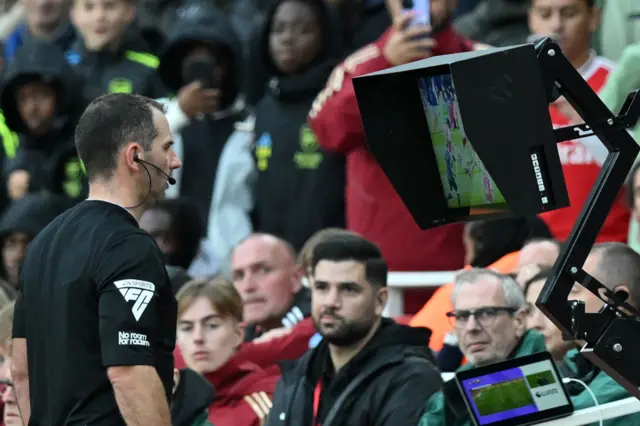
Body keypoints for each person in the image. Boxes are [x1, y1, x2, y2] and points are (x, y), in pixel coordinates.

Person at [10, 93, 182, 425]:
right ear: (134, 156)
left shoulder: (41, 244)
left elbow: (21, 370)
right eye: (166, 147)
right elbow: (128, 370)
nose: (174, 161)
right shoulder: (129, 246)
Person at [308, 0, 477, 314]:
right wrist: (385, 66)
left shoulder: (483, 60)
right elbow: (327, 132)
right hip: (381, 285)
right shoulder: (361, 65)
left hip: (468, 281)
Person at [265, 233, 442, 426]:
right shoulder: (298, 375)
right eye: (322, 287)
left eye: (348, 289)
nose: (331, 302)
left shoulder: (412, 378)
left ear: (380, 300)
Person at [529, 0, 629, 243]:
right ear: (531, 18)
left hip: (609, 247)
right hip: (535, 248)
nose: (556, 25)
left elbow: (631, 168)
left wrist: (584, 114)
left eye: (569, 13)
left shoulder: (619, 82)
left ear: (594, 17)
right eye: (544, 14)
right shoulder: (517, 88)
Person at [251, 0, 346, 251]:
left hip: (328, 255)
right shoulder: (265, 108)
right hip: (273, 261)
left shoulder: (339, 101)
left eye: (303, 30)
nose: (287, 38)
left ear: (325, 36)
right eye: (278, 29)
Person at [418, 269, 546, 425]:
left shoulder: (554, 378)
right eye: (462, 316)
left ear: (519, 321)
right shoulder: (449, 394)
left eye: (487, 313)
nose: (471, 327)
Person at [176, 277, 280, 426]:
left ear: (238, 334)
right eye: (187, 328)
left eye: (212, 325)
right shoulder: (168, 399)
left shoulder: (265, 398)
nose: (197, 338)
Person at [0, 40, 88, 201]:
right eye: (22, 99)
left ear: (61, 96)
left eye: (40, 95)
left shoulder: (89, 137)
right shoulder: (22, 146)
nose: (31, 109)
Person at [67, 0, 165, 99]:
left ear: (129, 11)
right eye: (89, 7)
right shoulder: (63, 67)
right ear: (74, 14)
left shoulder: (149, 68)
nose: (99, 16)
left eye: (109, 6)